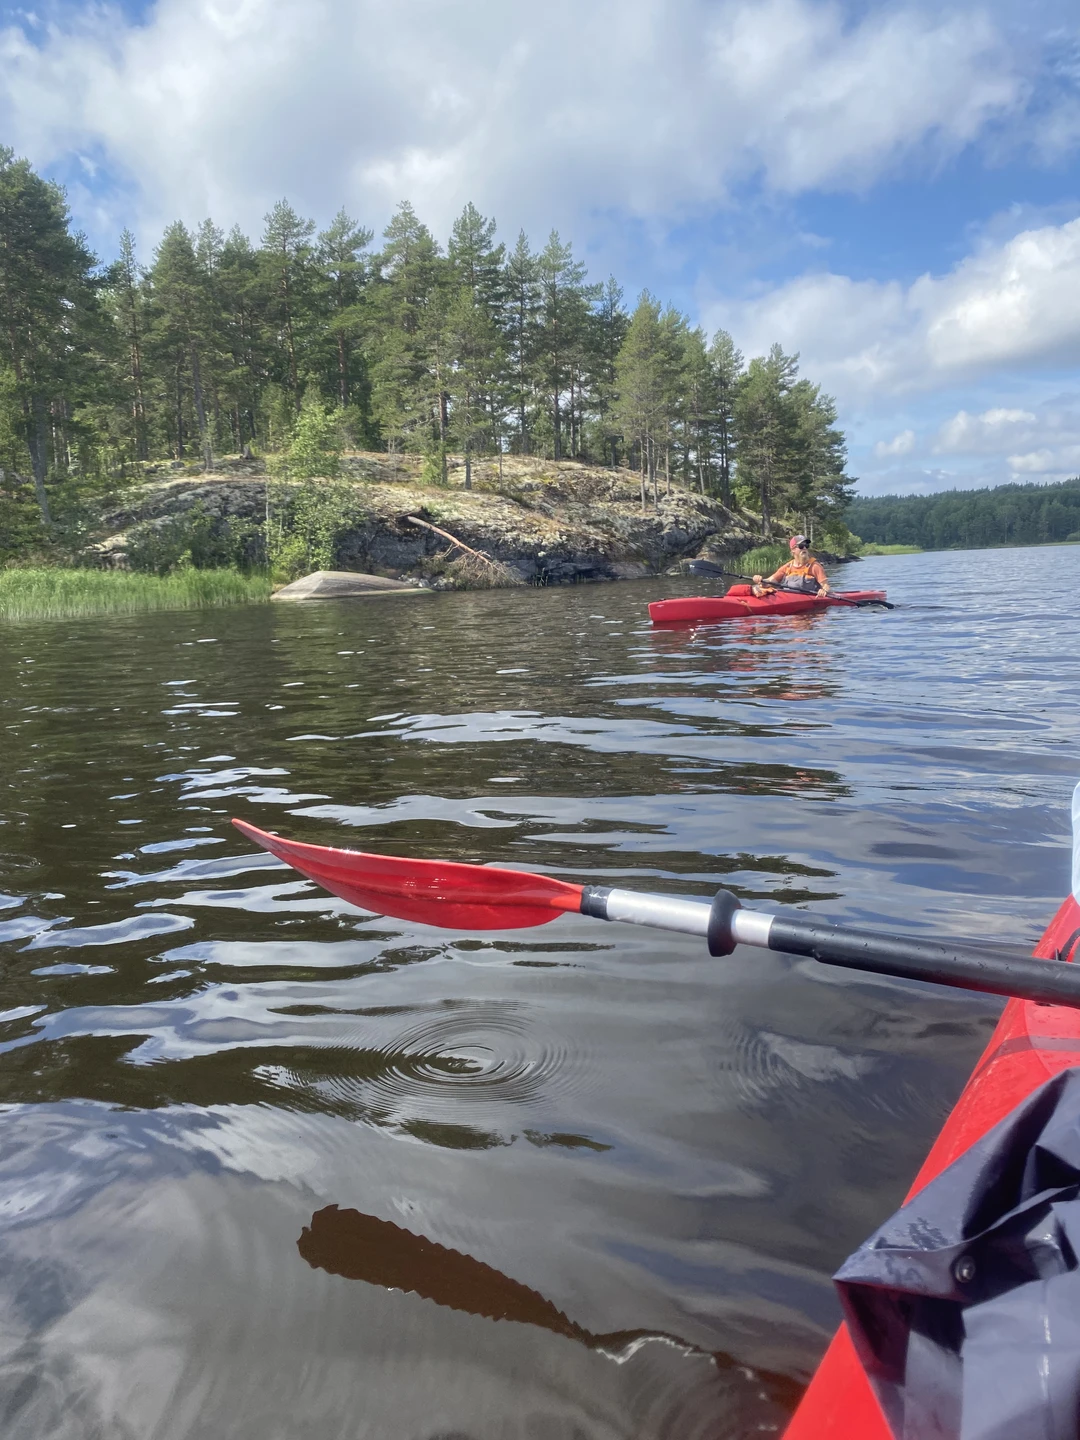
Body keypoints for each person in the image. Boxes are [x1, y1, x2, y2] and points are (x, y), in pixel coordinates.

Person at [752, 536, 830, 597]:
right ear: (793, 550)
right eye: (801, 546)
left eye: (806, 545)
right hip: (786, 598)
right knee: (757, 588)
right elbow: (769, 582)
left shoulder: (815, 566)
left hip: (808, 601)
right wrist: (760, 580)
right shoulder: (787, 567)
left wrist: (824, 590)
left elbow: (826, 586)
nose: (805, 548)